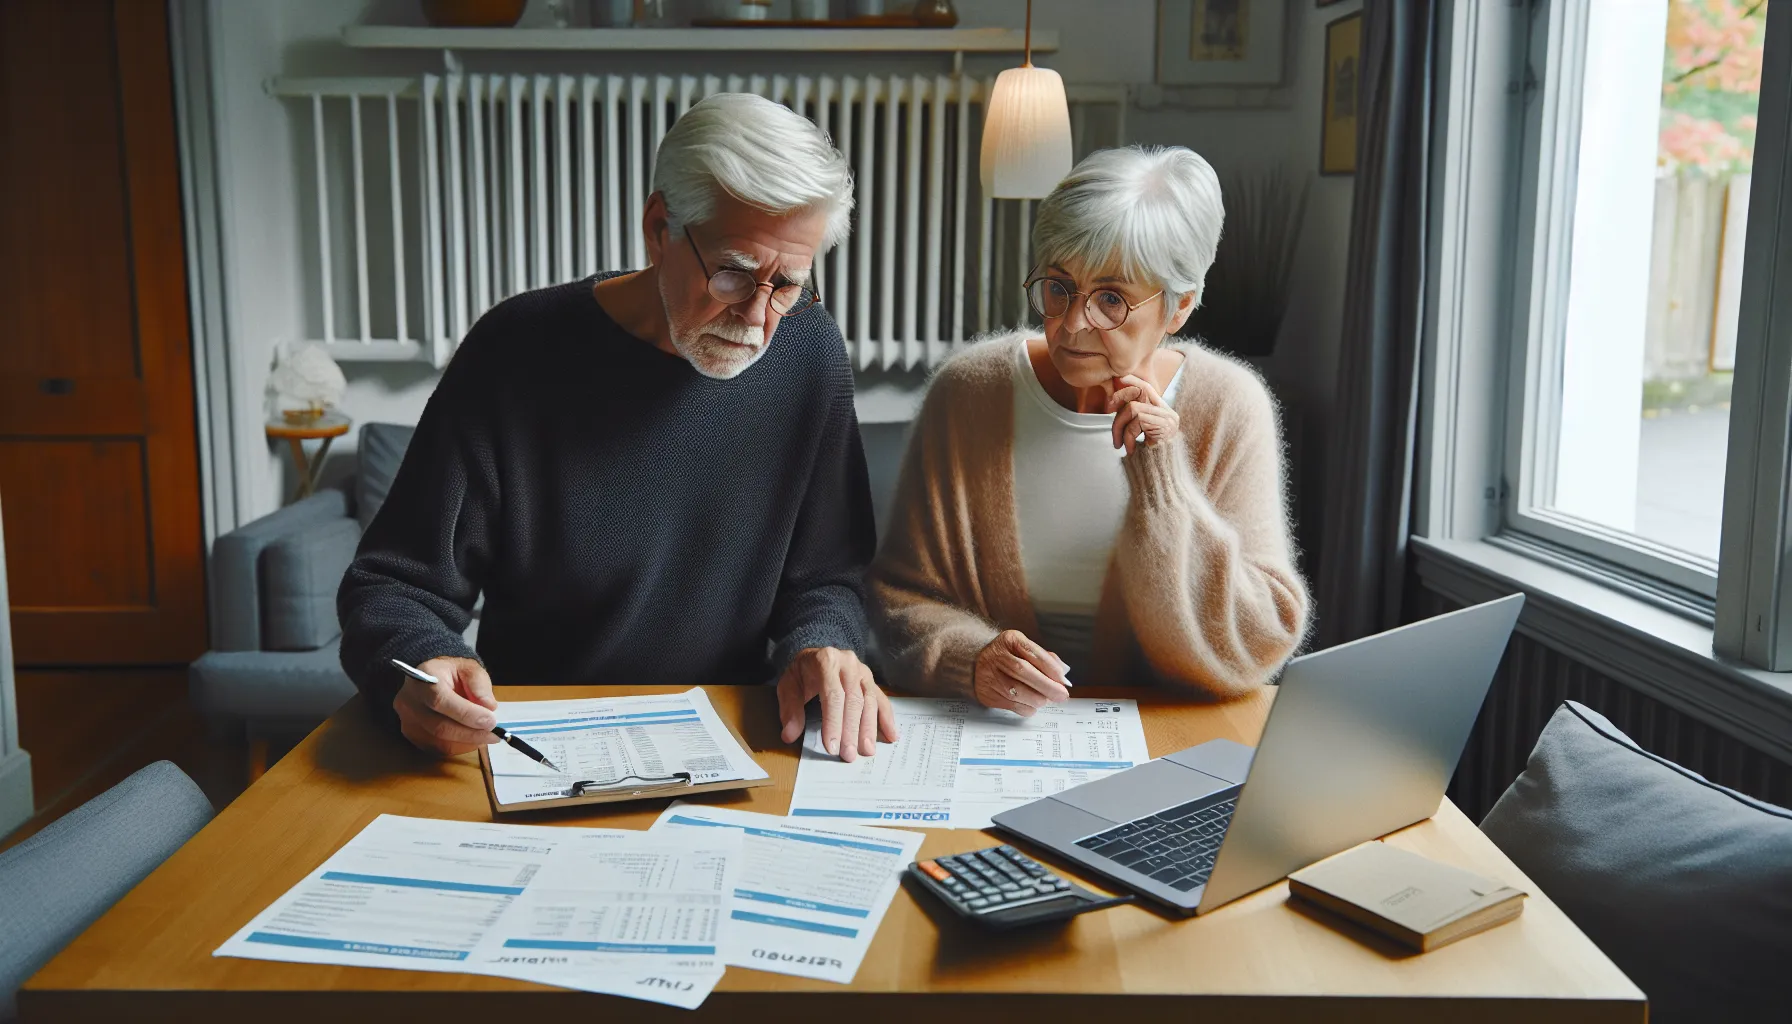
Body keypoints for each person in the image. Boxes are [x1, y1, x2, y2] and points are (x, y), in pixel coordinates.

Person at [339, 93, 897, 763]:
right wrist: (422, 661)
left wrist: (823, 642)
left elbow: (830, 578)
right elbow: (395, 585)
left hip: (734, 738)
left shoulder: (808, 352)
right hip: (536, 744)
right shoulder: (516, 351)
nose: (757, 318)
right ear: (659, 226)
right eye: (733, 273)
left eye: (788, 285)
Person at [868, 145, 1309, 713]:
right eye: (1058, 287)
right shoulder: (968, 392)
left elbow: (1256, 643)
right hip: (989, 731)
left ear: (1178, 308)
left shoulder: (1229, 406)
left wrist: (1164, 488)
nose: (1074, 324)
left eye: (1111, 299)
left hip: (1164, 735)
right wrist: (971, 660)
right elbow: (901, 597)